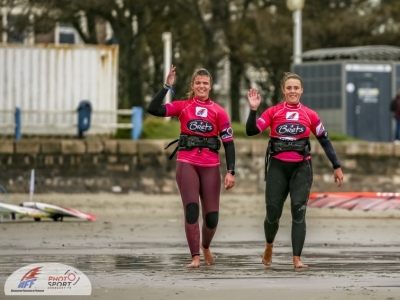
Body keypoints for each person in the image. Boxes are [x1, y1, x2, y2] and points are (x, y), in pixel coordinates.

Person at [246, 72, 344, 268]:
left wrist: (337, 166)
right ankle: (269, 245)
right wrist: (253, 110)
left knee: (299, 212)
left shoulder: (310, 114)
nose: (292, 91)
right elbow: (251, 131)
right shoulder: (273, 112)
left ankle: (296, 259)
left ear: (301, 90)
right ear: (284, 90)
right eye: (289, 88)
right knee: (272, 213)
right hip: (277, 168)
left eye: (296, 88)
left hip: (302, 168)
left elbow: (324, 139)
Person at [147, 65, 236, 268]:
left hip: (210, 166)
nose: (202, 86)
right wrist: (166, 86)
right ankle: (195, 257)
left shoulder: (219, 112)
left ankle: (205, 246)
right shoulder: (183, 106)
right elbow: (153, 109)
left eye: (205, 83)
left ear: (210, 86)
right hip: (187, 164)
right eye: (198, 83)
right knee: (192, 210)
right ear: (192, 85)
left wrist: (231, 171)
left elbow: (229, 143)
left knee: (212, 218)